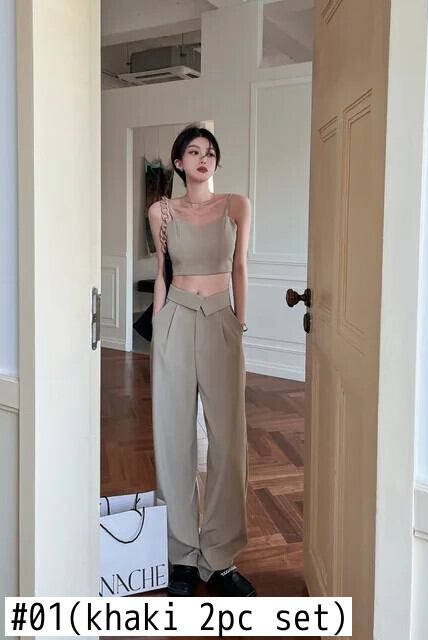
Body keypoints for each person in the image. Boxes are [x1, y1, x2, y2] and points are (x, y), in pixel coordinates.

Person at [147, 124, 255, 597]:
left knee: (228, 440)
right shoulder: (161, 211)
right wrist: (158, 330)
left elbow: (240, 268)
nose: (203, 158)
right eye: (193, 152)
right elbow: (161, 273)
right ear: (178, 162)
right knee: (172, 437)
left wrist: (238, 325)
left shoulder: (236, 205)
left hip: (220, 321)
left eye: (209, 151)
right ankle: (182, 556)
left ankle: (220, 557)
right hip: (174, 318)